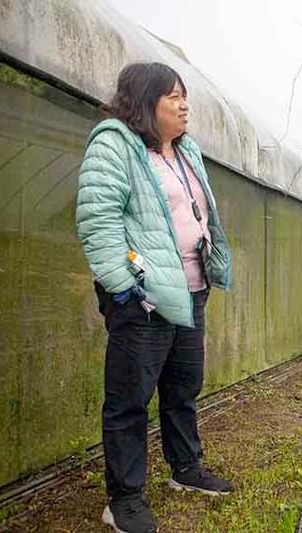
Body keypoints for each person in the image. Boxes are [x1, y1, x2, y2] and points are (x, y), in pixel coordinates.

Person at [76, 62, 234, 533]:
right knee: (128, 399)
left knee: (183, 386)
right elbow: (97, 219)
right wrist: (123, 288)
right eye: (173, 97)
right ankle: (124, 498)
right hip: (142, 298)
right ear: (145, 102)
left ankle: (185, 469)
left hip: (190, 290)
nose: (185, 105)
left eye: (185, 96)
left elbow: (199, 215)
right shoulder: (114, 145)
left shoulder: (186, 151)